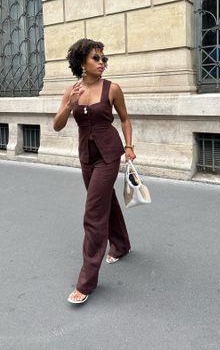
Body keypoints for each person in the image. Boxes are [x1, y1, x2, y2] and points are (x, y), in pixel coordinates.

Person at [53, 38, 136, 304]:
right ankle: (121, 244)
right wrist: (70, 103)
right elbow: (57, 125)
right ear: (81, 62)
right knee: (105, 201)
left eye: (103, 59)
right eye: (96, 58)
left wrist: (129, 145)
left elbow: (124, 118)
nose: (102, 63)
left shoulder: (113, 89)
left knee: (93, 212)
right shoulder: (72, 90)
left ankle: (86, 281)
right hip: (86, 156)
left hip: (109, 154)